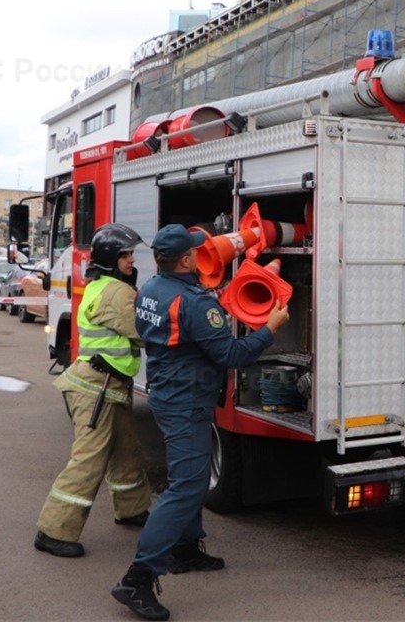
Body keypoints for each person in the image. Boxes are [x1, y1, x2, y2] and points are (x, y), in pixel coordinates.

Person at [111, 224, 289, 621]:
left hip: (169, 394)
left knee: (186, 479)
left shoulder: (152, 290)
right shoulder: (193, 302)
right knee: (186, 487)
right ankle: (138, 578)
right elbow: (233, 355)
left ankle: (185, 550)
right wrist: (269, 329)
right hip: (187, 401)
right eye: (198, 250)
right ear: (187, 259)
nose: (205, 252)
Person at [34, 223, 152, 558]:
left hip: (108, 386)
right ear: (111, 258)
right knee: (89, 459)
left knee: (126, 452)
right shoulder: (116, 292)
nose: (131, 260)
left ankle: (131, 509)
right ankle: (53, 530)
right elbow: (143, 333)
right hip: (96, 389)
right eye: (126, 254)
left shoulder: (102, 285)